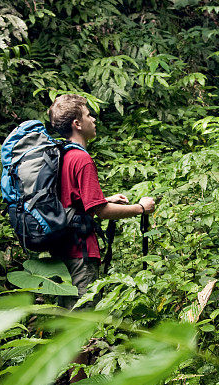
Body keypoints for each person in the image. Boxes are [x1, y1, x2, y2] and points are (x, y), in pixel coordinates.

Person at [48, 94, 156, 308]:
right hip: (81, 251)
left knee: (66, 314)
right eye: (88, 115)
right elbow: (102, 211)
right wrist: (141, 208)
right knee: (82, 318)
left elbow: (71, 200)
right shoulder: (82, 159)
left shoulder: (63, 155)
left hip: (62, 249)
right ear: (77, 124)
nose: (94, 120)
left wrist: (104, 198)